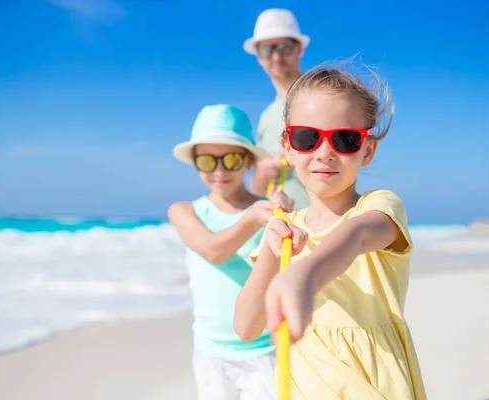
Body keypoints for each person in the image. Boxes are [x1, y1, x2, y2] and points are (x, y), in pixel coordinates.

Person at [233, 62, 428, 399]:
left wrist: (305, 274)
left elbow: (356, 236)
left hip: (372, 384)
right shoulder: (286, 230)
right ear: (288, 149)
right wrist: (271, 252)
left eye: (345, 139)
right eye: (307, 138)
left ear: (367, 150)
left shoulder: (380, 207)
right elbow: (246, 327)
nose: (325, 152)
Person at [168, 104, 293, 400]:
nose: (220, 170)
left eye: (232, 159)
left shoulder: (268, 210)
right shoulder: (185, 211)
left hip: (264, 350)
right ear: (195, 163)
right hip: (210, 351)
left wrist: (284, 213)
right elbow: (214, 251)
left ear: (248, 161)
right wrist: (254, 216)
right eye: (208, 161)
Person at [243, 8, 310, 210]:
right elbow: (257, 190)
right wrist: (262, 172)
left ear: (299, 48)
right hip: (279, 231)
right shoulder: (266, 117)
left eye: (284, 47)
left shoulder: (321, 98)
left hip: (323, 229)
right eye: (266, 50)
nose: (275, 56)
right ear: (258, 56)